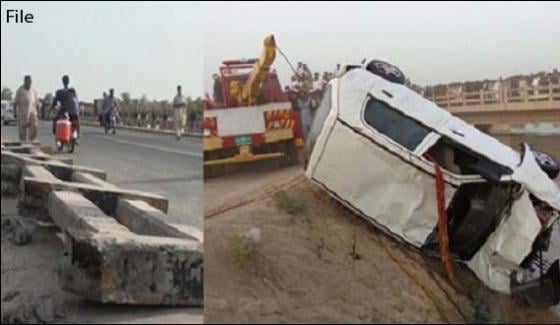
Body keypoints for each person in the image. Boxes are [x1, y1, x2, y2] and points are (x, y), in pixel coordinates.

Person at [14, 75, 40, 143]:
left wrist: (39, 113)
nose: (29, 83)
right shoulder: (20, 90)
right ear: (25, 81)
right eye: (28, 81)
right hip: (23, 113)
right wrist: (15, 113)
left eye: (30, 81)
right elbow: (15, 103)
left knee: (35, 126)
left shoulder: (33, 91)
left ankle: (31, 140)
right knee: (23, 132)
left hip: (32, 112)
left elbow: (37, 103)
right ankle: (23, 144)